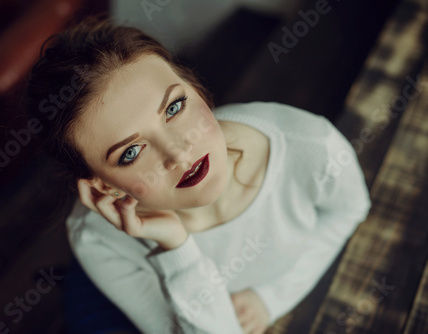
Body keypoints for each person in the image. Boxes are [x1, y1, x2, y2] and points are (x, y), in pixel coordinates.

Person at [25, 14, 372, 334]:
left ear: (193, 87)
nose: (179, 152)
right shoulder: (97, 238)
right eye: (130, 152)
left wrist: (272, 298)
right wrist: (176, 247)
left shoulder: (309, 144)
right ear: (102, 185)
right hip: (114, 292)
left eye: (174, 107)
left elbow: (349, 208)